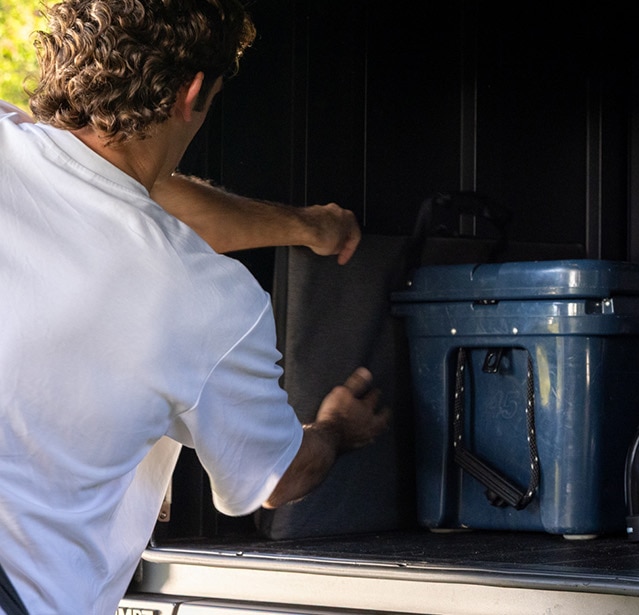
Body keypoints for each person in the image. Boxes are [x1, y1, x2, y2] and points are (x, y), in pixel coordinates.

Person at [0, 1, 390, 613]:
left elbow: (127, 195)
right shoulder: (208, 299)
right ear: (193, 93)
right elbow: (277, 478)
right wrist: (338, 429)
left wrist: (305, 227)